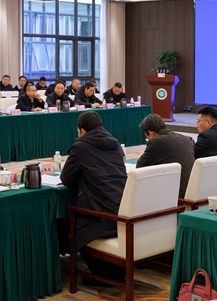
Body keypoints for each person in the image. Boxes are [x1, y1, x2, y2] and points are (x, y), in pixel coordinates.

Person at [60, 111, 128, 282]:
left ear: (82, 130)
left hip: (102, 218)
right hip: (123, 212)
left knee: (71, 226)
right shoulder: (115, 143)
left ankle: (104, 275)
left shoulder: (81, 146)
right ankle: (114, 271)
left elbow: (66, 179)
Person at [136, 113, 194, 197]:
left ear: (151, 133)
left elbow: (140, 166)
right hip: (191, 189)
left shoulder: (156, 142)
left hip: (175, 193)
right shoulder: (186, 139)